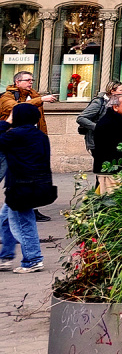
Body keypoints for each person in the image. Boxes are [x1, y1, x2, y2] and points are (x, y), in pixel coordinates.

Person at [0, 103, 54, 273]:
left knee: (23, 223)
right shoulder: (40, 135)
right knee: (5, 219)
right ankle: (6, 257)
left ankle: (33, 259)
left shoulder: (16, 135)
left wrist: (7, 122)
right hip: (36, 185)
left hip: (21, 187)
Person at [92, 93, 122, 195]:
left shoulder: (119, 120)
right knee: (112, 198)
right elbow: (111, 148)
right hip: (111, 170)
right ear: (115, 107)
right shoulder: (110, 122)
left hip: (116, 168)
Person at [76, 80, 122, 160]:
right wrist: (98, 128)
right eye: (120, 90)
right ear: (112, 91)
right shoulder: (98, 102)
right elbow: (81, 118)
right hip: (97, 141)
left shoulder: (115, 102)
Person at [0, 71, 54, 135]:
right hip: (13, 134)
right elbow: (16, 108)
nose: (30, 82)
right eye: (28, 80)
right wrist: (41, 99)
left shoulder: (34, 95)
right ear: (17, 82)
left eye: (32, 80)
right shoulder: (7, 96)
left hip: (32, 133)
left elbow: (41, 122)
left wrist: (43, 136)